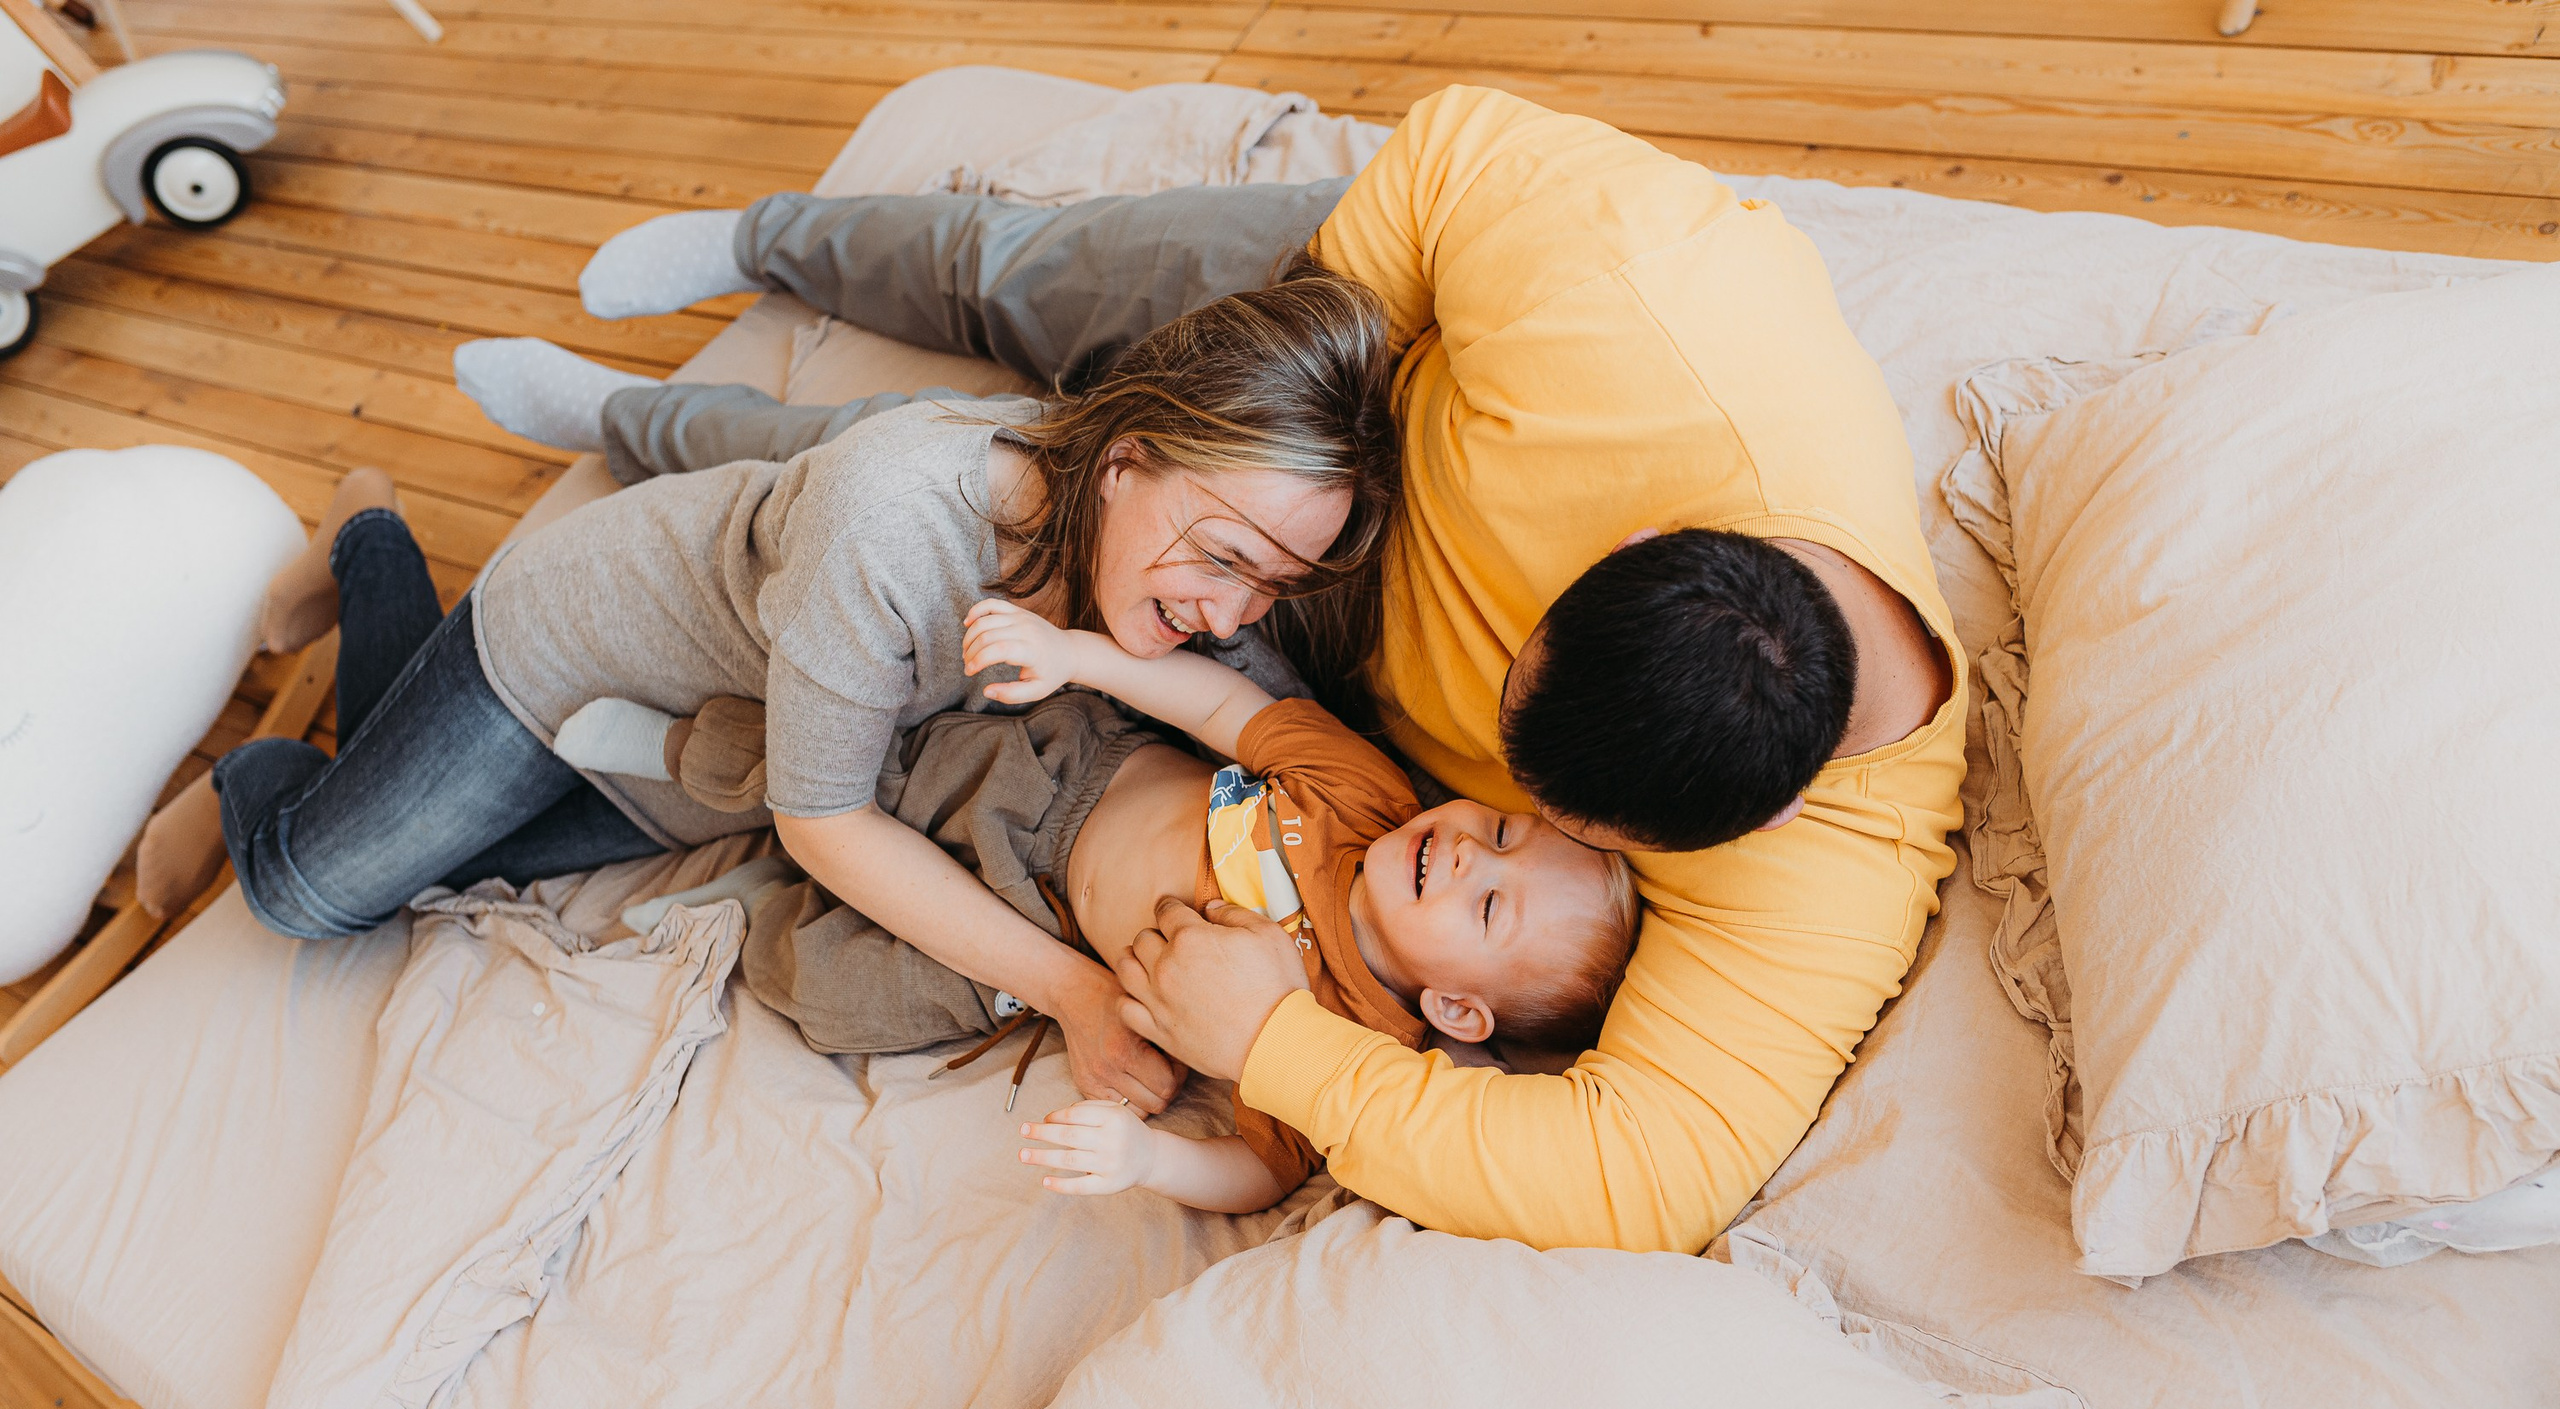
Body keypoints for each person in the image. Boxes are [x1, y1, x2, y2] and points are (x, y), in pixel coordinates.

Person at [458, 86, 1969, 1255]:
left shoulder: (1827, 871)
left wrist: (1280, 1041)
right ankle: (770, 241)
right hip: (1362, 405)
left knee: (902, 521)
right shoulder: (1650, 314)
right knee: (1034, 317)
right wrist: (1289, 427)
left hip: (1283, 672)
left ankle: (640, 430)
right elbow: (1451, 149)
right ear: (1640, 531)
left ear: (1740, 829)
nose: (1475, 799)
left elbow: (1645, 1176)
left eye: (1522, 808)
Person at [133, 271, 1403, 1118]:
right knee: (312, 892)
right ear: (1125, 461)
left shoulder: (1159, 565)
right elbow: (823, 821)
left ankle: (367, 687)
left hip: (706, 736)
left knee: (458, 868)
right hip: (576, 644)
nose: (1232, 614)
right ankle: (361, 564)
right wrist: (1073, 990)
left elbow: (1283, 723)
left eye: (1271, 587)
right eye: (1227, 560)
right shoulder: (898, 524)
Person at [578, 595, 1639, 1215]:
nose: (1461, 855)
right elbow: (1230, 706)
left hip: (1044, 939)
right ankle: (685, 756)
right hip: (1061, 784)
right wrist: (1079, 657)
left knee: (848, 996)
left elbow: (1263, 1170)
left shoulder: (1353, 1042)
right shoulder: (1367, 796)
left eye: (1488, 908)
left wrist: (1150, 1160)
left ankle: (753, 911)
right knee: (875, 764)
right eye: (1496, 831)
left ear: (1457, 1012)